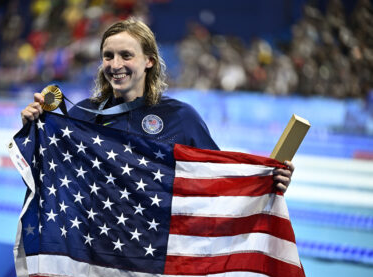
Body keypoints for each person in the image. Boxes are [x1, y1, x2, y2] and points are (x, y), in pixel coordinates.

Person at [21, 18, 294, 192]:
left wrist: (267, 182)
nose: (115, 65)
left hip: (155, 258)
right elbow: (45, 181)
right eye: (108, 56)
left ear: (149, 61)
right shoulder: (81, 115)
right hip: (97, 256)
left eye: (126, 55)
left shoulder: (180, 117)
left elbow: (220, 181)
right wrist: (32, 133)